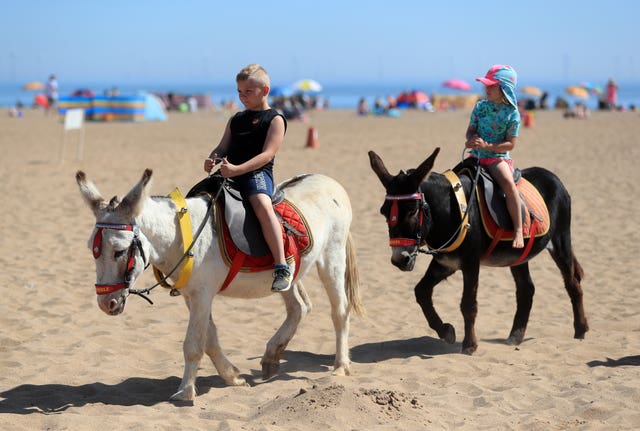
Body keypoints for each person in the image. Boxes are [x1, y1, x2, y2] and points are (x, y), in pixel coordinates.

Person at [203, 64, 291, 292]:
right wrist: (213, 158)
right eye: (240, 92)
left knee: (262, 205)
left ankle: (281, 265)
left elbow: (267, 154)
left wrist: (238, 169)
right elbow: (223, 146)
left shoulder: (275, 119)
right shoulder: (236, 119)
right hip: (229, 171)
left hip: (257, 174)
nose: (243, 97)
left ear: (265, 90)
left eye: (248, 92)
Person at [465, 64, 524, 248]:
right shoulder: (480, 106)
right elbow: (470, 131)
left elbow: (510, 144)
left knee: (507, 184)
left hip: (497, 159)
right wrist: (470, 141)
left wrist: (488, 146)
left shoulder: (512, 114)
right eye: (486, 85)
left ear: (504, 89)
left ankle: (518, 230)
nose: (486, 88)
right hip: (475, 156)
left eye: (492, 85)